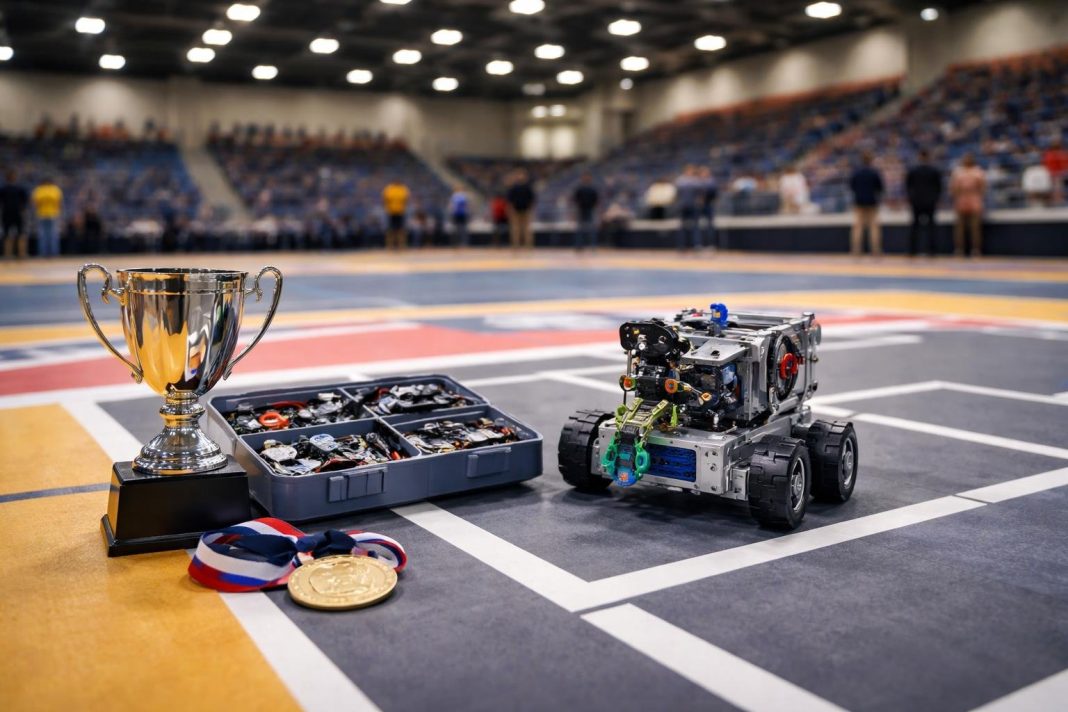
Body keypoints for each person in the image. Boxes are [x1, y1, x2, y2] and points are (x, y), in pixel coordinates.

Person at [905, 149, 942, 256]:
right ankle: (932, 251)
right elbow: (939, 188)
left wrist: (911, 199)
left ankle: (912, 250)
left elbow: (908, 186)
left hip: (916, 202)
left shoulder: (913, 170)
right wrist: (935, 199)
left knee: (915, 226)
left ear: (919, 157)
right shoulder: (934, 171)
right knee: (931, 227)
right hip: (930, 202)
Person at [949, 153, 986, 257]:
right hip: (961, 200)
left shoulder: (978, 171)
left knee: (975, 228)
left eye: (969, 158)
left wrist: (977, 196)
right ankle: (959, 249)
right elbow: (953, 188)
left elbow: (983, 187)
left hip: (975, 200)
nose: (967, 160)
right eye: (965, 158)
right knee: (959, 228)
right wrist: (957, 197)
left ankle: (976, 250)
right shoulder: (958, 172)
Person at [848, 152, 884, 256]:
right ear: (871, 160)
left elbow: (852, 186)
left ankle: (856, 250)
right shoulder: (874, 173)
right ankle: (876, 250)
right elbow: (880, 188)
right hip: (872, 201)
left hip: (859, 201)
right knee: (874, 226)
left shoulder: (856, 173)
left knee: (858, 226)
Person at [31, 176, 63, 257]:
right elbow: (59, 203)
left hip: (42, 214)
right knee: (53, 235)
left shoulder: (39, 190)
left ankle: (43, 253)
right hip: (53, 214)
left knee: (43, 235)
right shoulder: (55, 189)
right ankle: (54, 253)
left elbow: (35, 203)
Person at [0, 170, 29, 259]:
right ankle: (8, 254)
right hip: (8, 213)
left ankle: (21, 254)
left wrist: (23, 212)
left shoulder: (19, 189)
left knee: (20, 234)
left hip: (15, 213)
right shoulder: (4, 189)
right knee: (7, 234)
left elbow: (25, 202)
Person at [674, 165, 704, 250]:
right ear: (685, 171)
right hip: (683, 206)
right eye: (689, 170)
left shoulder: (695, 180)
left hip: (693, 206)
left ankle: (696, 245)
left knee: (696, 226)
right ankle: (681, 246)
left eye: (691, 171)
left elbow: (700, 194)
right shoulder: (680, 180)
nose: (690, 172)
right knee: (682, 227)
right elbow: (677, 194)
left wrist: (699, 202)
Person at [505, 169, 535, 250]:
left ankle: (528, 245)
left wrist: (530, 209)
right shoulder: (513, 188)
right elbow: (509, 200)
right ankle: (515, 245)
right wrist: (510, 209)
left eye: (522, 175)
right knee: (515, 229)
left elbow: (532, 199)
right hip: (515, 211)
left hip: (526, 210)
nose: (520, 177)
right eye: (519, 175)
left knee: (526, 229)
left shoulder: (528, 188)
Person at [572, 173, 599, 251]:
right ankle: (579, 246)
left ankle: (593, 246)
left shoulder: (592, 189)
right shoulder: (579, 189)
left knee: (591, 230)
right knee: (580, 230)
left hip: (590, 210)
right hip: (581, 210)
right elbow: (575, 199)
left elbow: (596, 200)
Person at [382, 178, 410, 250]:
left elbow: (406, 199)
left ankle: (401, 245)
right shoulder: (389, 189)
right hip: (391, 212)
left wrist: (403, 207)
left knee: (401, 230)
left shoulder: (403, 189)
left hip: (400, 211)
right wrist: (387, 208)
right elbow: (385, 200)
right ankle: (390, 245)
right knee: (390, 230)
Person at [698, 166, 718, 249]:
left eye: (705, 172)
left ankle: (710, 244)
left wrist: (704, 197)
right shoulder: (698, 182)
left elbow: (714, 194)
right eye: (702, 173)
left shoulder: (711, 182)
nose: (704, 174)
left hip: (708, 205)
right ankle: (699, 244)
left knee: (710, 226)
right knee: (698, 226)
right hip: (699, 206)